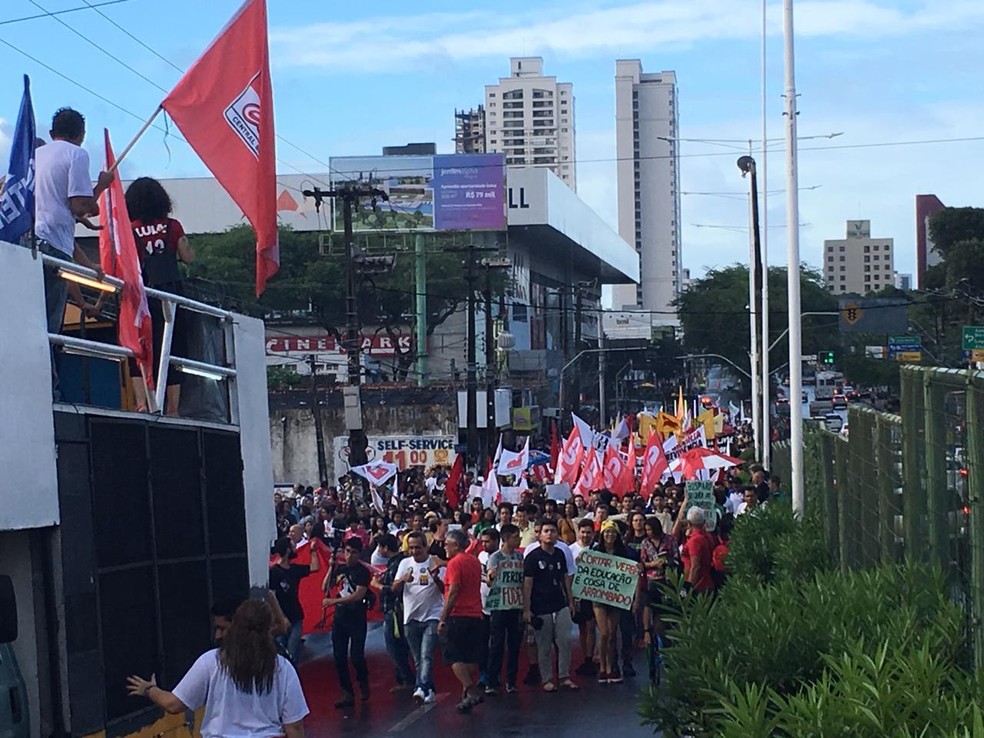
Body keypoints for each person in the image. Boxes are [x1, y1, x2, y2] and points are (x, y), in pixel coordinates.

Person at [126, 599, 308, 738]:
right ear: (269, 629)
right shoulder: (282, 668)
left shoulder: (212, 661)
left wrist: (149, 689)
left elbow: (173, 704)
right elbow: (294, 727)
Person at [34, 107, 113, 396]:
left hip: (30, 245)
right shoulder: (76, 155)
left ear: (52, 131)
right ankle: (49, 395)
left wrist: (90, 265)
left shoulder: (37, 156)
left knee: (31, 321)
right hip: (54, 250)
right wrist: (101, 187)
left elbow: (64, 222)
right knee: (49, 328)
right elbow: (79, 207)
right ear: (80, 134)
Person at [118, 177, 194, 413]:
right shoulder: (173, 226)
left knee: (137, 346)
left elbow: (124, 262)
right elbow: (188, 257)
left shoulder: (129, 230)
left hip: (140, 296)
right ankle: (172, 409)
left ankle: (142, 402)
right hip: (170, 294)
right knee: (173, 348)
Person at [522, 519, 578, 692]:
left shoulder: (560, 553)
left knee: (564, 641)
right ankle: (546, 678)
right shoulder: (532, 557)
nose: (549, 534)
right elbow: (527, 584)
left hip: (559, 603)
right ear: (539, 534)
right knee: (544, 644)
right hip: (540, 605)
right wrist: (527, 609)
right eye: (546, 531)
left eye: (553, 531)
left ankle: (564, 676)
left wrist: (570, 601)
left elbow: (565, 579)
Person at [437, 529, 485, 713]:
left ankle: (470, 690)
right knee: (470, 657)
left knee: (453, 655)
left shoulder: (454, 563)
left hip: (458, 615)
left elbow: (455, 589)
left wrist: (443, 617)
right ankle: (467, 694)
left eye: (447, 544)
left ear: (455, 545)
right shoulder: (474, 561)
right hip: (475, 613)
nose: (444, 547)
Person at [393, 530, 443, 705]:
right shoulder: (404, 563)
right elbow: (394, 588)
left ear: (425, 547)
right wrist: (403, 580)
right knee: (417, 658)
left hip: (432, 615)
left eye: (418, 548)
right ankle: (429, 689)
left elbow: (446, 590)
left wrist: (436, 579)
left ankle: (420, 688)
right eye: (411, 548)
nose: (414, 551)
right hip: (411, 617)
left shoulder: (434, 562)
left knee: (426, 654)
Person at [323, 537, 371, 708]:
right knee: (339, 657)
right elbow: (325, 587)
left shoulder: (362, 572)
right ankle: (347, 692)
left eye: (354, 552)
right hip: (340, 619)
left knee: (357, 656)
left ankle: (363, 683)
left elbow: (358, 595)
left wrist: (333, 602)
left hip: (356, 618)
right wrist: (331, 568)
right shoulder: (340, 569)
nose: (350, 556)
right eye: (347, 551)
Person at [591, 520, 637, 684]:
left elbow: (632, 576)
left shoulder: (623, 554)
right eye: (606, 532)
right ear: (602, 535)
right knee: (603, 633)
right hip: (599, 598)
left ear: (617, 535)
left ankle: (611, 667)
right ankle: (602, 667)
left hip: (616, 597)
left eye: (612, 532)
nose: (609, 535)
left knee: (612, 634)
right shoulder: (595, 552)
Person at [372, 533, 415, 693]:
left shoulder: (397, 565)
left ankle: (407, 677)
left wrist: (377, 585)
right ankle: (403, 677)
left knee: (394, 646)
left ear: (384, 548)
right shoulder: (396, 563)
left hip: (395, 610)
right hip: (396, 609)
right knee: (400, 645)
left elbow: (394, 589)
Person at [269, 536, 320, 664]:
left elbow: (314, 567)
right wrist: (280, 617)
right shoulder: (274, 572)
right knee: (281, 653)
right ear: (287, 550)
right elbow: (271, 596)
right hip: (280, 617)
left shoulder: (294, 569)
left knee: (291, 654)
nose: (295, 549)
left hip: (295, 616)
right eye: (292, 546)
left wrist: (313, 551)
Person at [485, 523, 523, 694]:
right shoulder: (496, 557)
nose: (519, 539)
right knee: (497, 644)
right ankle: (491, 681)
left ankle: (511, 680)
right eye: (516, 537)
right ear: (506, 539)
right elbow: (490, 576)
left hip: (516, 604)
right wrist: (492, 575)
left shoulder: (519, 558)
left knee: (514, 644)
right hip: (499, 605)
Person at [569, 518, 598, 676]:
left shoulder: (598, 549)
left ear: (593, 533)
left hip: (595, 593)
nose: (586, 535)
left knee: (592, 626)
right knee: (582, 627)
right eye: (583, 532)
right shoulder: (571, 549)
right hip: (579, 593)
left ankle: (591, 657)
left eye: (589, 532)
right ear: (578, 532)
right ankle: (586, 656)